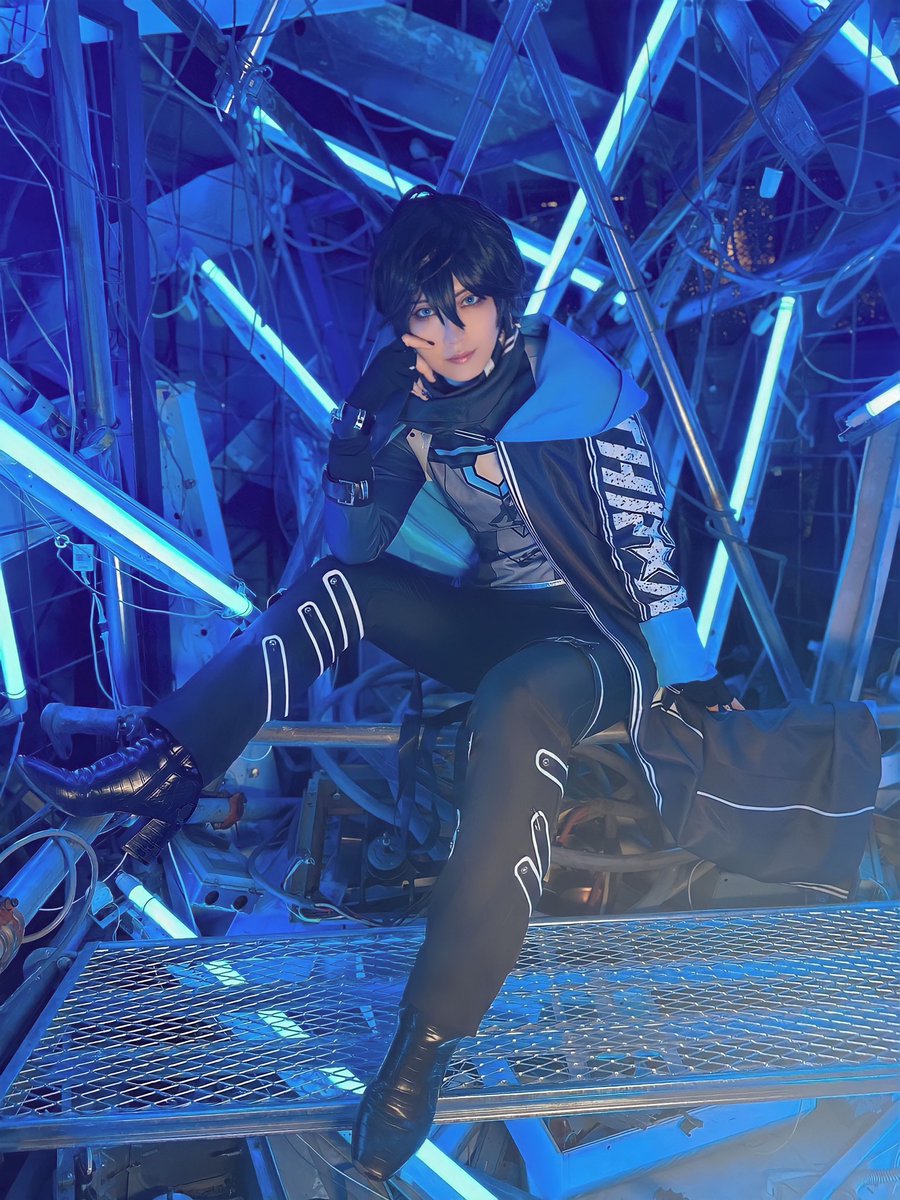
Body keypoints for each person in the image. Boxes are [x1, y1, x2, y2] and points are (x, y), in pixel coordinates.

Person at [17, 185, 740, 1180]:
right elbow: (361, 547)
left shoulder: (580, 391)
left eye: (466, 304)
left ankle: (427, 1041)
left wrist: (690, 679)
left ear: (502, 298)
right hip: (495, 620)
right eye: (424, 315)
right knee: (341, 589)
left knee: (517, 703)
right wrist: (359, 434)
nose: (450, 333)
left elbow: (643, 547)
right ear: (402, 325)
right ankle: (163, 769)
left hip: (602, 641)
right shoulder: (410, 403)